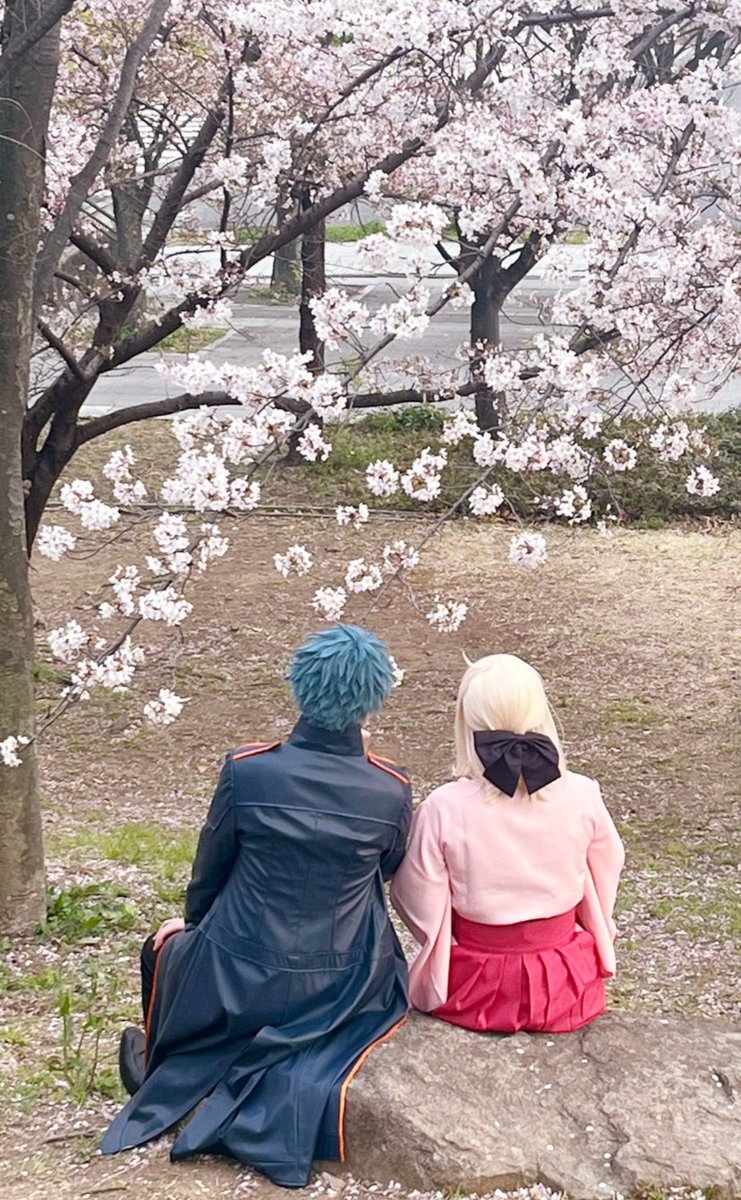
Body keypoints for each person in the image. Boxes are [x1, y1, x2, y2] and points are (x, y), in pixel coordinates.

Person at [101, 624, 412, 1187]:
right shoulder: (390, 788)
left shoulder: (248, 770)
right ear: (374, 698)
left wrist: (192, 929)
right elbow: (387, 868)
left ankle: (157, 1066)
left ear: (300, 686)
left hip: (236, 971)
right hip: (341, 983)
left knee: (161, 948)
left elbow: (210, 870)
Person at [391, 653, 624, 1034]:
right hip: (566, 981)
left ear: (467, 723)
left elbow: (414, 895)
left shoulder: (443, 807)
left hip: (475, 985)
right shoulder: (582, 794)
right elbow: (607, 867)